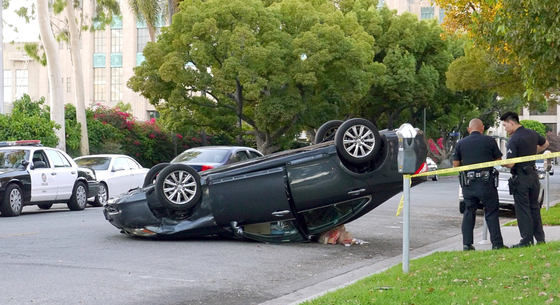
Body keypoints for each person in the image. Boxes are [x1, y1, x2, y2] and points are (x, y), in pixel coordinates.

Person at [453, 118, 506, 251]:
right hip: (486, 182)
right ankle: (497, 244)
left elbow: (455, 165)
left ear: (469, 129)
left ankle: (467, 244)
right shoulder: (489, 141)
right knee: (491, 212)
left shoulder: (461, 143)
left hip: (468, 184)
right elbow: (498, 160)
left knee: (469, 211)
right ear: (482, 128)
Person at [500, 111, 549, 247]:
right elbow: (545, 144)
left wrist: (500, 162)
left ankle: (526, 240)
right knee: (534, 208)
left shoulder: (514, 140)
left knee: (523, 210)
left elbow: (510, 164)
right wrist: (532, 153)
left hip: (521, 178)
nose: (505, 129)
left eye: (505, 126)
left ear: (511, 123)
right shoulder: (532, 133)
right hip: (533, 177)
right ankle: (540, 239)